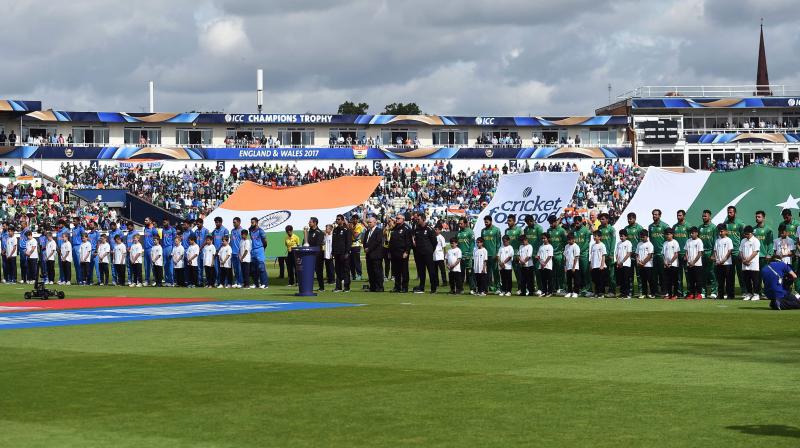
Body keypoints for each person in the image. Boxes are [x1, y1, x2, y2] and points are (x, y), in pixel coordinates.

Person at [412, 214, 438, 294]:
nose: (417, 220)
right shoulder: (417, 229)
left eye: (419, 219)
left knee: (431, 271)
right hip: (419, 254)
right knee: (421, 271)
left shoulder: (430, 229)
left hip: (428, 253)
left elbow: (434, 242)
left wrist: (430, 250)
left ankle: (433, 288)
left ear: (423, 219)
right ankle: (421, 287)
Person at [698, 210, 718, 299]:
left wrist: (713, 254)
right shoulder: (700, 228)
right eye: (703, 216)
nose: (704, 218)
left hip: (710, 251)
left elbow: (715, 242)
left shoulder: (714, 227)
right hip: (702, 252)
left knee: (712, 272)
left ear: (710, 217)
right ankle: (703, 292)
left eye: (705, 216)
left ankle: (714, 292)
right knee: (702, 273)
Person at [724, 206, 745, 292]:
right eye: (728, 212)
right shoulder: (725, 223)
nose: (729, 214)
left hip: (737, 252)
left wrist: (741, 251)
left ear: (735, 213)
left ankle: (745, 291)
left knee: (741, 273)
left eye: (731, 212)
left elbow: (744, 238)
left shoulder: (740, 223)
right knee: (729, 274)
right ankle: (730, 293)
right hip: (728, 253)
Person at [389, 214, 412, 293]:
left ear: (403, 219)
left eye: (398, 218)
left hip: (402, 252)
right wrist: (389, 251)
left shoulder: (406, 228)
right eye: (396, 218)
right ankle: (397, 286)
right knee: (396, 271)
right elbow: (391, 241)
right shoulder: (395, 228)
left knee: (404, 271)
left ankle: (405, 287)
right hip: (394, 253)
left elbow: (409, 242)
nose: (397, 219)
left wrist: (406, 251)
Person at [649, 209, 669, 296]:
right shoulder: (650, 226)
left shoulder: (664, 226)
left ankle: (664, 291)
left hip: (662, 254)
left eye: (656, 214)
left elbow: (668, 239)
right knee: (654, 274)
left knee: (662, 274)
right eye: (653, 214)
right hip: (653, 254)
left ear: (660, 215)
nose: (654, 216)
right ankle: (655, 291)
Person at [624, 213, 644, 296]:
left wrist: (638, 253)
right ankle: (630, 291)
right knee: (629, 274)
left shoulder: (639, 228)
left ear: (635, 219)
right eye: (628, 219)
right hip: (629, 255)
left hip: (637, 254)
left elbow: (642, 241)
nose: (629, 220)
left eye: (631, 219)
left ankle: (641, 291)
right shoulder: (626, 228)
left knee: (639, 274)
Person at [713, 223, 734, 300]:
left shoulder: (728, 240)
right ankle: (720, 295)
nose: (720, 233)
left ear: (726, 231)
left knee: (728, 280)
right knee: (720, 281)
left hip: (727, 263)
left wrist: (724, 260)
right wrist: (717, 259)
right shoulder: (717, 240)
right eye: (719, 231)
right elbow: (715, 251)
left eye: (721, 231)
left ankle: (730, 295)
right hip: (719, 263)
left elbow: (729, 251)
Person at [362, 216, 384, 292]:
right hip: (368, 255)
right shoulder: (368, 231)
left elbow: (377, 242)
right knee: (370, 271)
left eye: (370, 222)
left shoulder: (379, 231)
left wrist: (369, 248)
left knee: (377, 271)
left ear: (375, 222)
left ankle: (379, 287)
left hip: (376, 254)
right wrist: (365, 248)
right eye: (368, 222)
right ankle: (373, 287)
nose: (369, 223)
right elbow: (365, 241)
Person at [753, 210, 773, 291]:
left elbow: (770, 243)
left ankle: (767, 291)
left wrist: (769, 253)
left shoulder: (768, 230)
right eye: (756, 217)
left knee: (765, 274)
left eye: (759, 217)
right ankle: (758, 292)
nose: (757, 218)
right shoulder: (753, 230)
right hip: (755, 256)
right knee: (756, 276)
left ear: (763, 218)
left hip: (764, 256)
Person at [740, 226, 761, 301]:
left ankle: (756, 294)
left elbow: (755, 252)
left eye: (747, 234)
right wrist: (743, 260)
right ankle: (749, 293)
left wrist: (748, 260)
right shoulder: (743, 241)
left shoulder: (756, 241)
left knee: (755, 280)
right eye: (745, 234)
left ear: (751, 233)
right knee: (746, 280)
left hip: (753, 264)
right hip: (745, 264)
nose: (746, 235)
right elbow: (741, 251)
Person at [547, 215, 568, 294]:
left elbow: (566, 242)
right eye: (549, 223)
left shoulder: (562, 230)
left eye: (552, 223)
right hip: (550, 255)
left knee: (560, 272)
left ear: (556, 221)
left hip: (559, 254)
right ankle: (554, 288)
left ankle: (562, 288)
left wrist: (564, 253)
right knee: (552, 272)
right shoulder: (549, 230)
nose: (550, 225)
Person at [524, 214, 544, 294]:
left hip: (536, 254)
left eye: (528, 223)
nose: (527, 224)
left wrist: (538, 253)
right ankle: (531, 289)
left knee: (538, 272)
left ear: (532, 221)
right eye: (526, 223)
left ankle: (540, 288)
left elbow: (540, 242)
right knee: (529, 273)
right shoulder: (526, 229)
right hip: (528, 254)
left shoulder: (539, 228)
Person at [480, 216, 501, 292]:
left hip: (493, 254)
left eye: (487, 222)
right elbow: (482, 243)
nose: (485, 223)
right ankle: (488, 287)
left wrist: (497, 253)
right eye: (485, 222)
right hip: (485, 255)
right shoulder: (483, 231)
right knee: (487, 272)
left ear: (491, 221)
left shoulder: (496, 230)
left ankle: (498, 287)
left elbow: (498, 243)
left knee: (495, 271)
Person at [304, 217, 325, 291]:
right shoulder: (308, 232)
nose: (309, 223)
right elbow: (305, 242)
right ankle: (309, 287)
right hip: (308, 255)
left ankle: (321, 287)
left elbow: (318, 245)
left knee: (319, 271)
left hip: (317, 255)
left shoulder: (319, 232)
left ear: (315, 223)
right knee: (309, 272)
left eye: (310, 222)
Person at [673, 210, 691, 297]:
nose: (678, 217)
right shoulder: (674, 227)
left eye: (680, 215)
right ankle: (679, 292)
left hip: (685, 254)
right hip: (677, 255)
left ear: (684, 216)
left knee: (688, 275)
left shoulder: (688, 226)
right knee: (678, 275)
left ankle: (689, 292)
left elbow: (690, 241)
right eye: (677, 215)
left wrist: (687, 254)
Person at [332, 214, 352, 293]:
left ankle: (347, 287)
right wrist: (333, 252)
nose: (337, 221)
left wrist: (347, 252)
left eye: (339, 219)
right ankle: (338, 287)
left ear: (343, 220)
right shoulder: (335, 230)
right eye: (337, 219)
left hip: (344, 253)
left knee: (346, 270)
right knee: (337, 270)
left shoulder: (346, 230)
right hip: (337, 253)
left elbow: (348, 242)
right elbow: (334, 242)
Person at [598, 213, 616, 295]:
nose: (601, 221)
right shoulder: (599, 228)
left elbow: (613, 242)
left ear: (607, 220)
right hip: (601, 255)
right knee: (602, 273)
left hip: (609, 255)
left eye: (603, 219)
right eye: (600, 219)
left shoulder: (611, 229)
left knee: (610, 274)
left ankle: (612, 291)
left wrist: (611, 253)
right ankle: (602, 290)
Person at [248, 217, 268, 289]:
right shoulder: (251, 231)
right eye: (251, 222)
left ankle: (264, 284)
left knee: (261, 267)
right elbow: (251, 236)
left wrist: (262, 248)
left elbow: (265, 241)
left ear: (256, 222)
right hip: (253, 250)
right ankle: (256, 284)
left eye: (252, 222)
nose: (251, 224)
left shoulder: (261, 231)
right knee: (253, 269)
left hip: (259, 250)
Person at [685, 227, 704, 300]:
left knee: (698, 280)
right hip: (689, 264)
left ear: (697, 233)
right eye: (691, 233)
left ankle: (699, 294)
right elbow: (686, 252)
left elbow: (700, 253)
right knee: (691, 280)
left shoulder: (699, 241)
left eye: (693, 233)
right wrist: (688, 261)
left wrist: (693, 262)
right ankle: (691, 294)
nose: (691, 234)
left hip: (697, 264)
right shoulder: (688, 241)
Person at [458, 217, 476, 293]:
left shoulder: (470, 232)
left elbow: (472, 244)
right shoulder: (458, 233)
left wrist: (470, 254)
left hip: (468, 256)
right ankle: (460, 289)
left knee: (470, 273)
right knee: (460, 273)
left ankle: (473, 289)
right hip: (460, 256)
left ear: (465, 224)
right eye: (459, 223)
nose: (459, 225)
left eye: (461, 223)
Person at [505, 214, 522, 292]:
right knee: (507, 273)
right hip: (508, 255)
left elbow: (522, 242)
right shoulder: (507, 231)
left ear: (514, 221)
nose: (508, 222)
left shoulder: (519, 230)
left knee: (518, 273)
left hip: (516, 254)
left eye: (510, 221)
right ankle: (507, 289)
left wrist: (519, 254)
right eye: (508, 220)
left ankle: (520, 288)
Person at [662, 228, 680, 300]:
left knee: (674, 280)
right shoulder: (665, 243)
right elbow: (663, 254)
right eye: (666, 234)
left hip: (674, 264)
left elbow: (676, 254)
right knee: (667, 280)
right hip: (666, 265)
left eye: (669, 234)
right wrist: (665, 262)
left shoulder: (675, 242)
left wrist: (670, 262)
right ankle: (669, 294)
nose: (667, 236)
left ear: (672, 235)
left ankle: (675, 294)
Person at [211, 217, 229, 286]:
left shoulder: (225, 230)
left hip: (223, 252)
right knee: (216, 268)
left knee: (224, 268)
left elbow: (226, 241)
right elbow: (212, 240)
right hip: (216, 253)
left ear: (221, 222)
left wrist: (218, 250)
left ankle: (226, 282)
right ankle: (218, 282)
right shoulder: (214, 231)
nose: (217, 223)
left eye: (218, 222)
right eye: (216, 222)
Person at [636, 230, 654, 299]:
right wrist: (638, 261)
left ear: (647, 236)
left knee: (650, 280)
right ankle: (644, 293)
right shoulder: (639, 244)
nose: (642, 238)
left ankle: (652, 293)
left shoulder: (650, 244)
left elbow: (650, 255)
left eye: (643, 237)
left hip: (648, 265)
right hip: (640, 265)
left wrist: (643, 262)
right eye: (641, 237)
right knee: (643, 280)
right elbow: (637, 254)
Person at [615, 229, 632, 299]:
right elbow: (616, 254)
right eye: (620, 236)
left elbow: (628, 253)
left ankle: (627, 294)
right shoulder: (618, 243)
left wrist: (622, 262)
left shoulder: (628, 243)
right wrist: (618, 262)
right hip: (619, 264)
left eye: (622, 236)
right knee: (621, 279)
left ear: (626, 236)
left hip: (626, 264)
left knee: (626, 279)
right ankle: (622, 293)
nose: (621, 237)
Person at [589, 230, 607, 296]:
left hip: (600, 266)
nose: (594, 237)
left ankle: (601, 293)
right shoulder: (593, 245)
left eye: (595, 236)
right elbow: (591, 256)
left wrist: (602, 265)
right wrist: (591, 265)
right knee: (595, 280)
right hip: (594, 265)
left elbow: (603, 255)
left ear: (599, 237)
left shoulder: (602, 245)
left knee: (601, 280)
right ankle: (596, 293)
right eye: (593, 236)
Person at [536, 233, 554, 297]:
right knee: (543, 280)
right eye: (542, 238)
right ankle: (544, 292)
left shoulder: (550, 246)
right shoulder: (541, 246)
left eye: (544, 238)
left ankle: (550, 292)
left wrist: (544, 263)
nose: (543, 239)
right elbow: (538, 256)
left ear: (548, 239)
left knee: (549, 280)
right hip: (541, 266)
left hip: (548, 266)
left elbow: (550, 256)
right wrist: (541, 262)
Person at [563, 233, 580, 298]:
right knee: (569, 280)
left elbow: (576, 257)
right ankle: (569, 292)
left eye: (570, 240)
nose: (569, 241)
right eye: (568, 240)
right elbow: (565, 257)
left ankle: (576, 292)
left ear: (573, 240)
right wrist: (565, 266)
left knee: (576, 280)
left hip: (574, 267)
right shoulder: (566, 246)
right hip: (568, 266)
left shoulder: (576, 246)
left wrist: (573, 267)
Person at [161, 218, 176, 287]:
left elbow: (174, 241)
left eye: (165, 222)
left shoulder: (172, 229)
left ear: (168, 222)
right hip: (164, 248)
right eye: (163, 222)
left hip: (170, 248)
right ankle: (167, 281)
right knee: (165, 265)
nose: (164, 223)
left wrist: (172, 250)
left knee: (170, 265)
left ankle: (172, 281)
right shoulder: (163, 230)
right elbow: (162, 240)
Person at [229, 217, 244, 288]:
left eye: (235, 222)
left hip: (239, 253)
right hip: (233, 252)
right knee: (235, 269)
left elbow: (243, 243)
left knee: (239, 269)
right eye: (233, 222)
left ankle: (240, 282)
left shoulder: (242, 231)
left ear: (239, 222)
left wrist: (240, 252)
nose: (233, 224)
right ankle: (236, 281)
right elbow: (231, 241)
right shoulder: (232, 231)